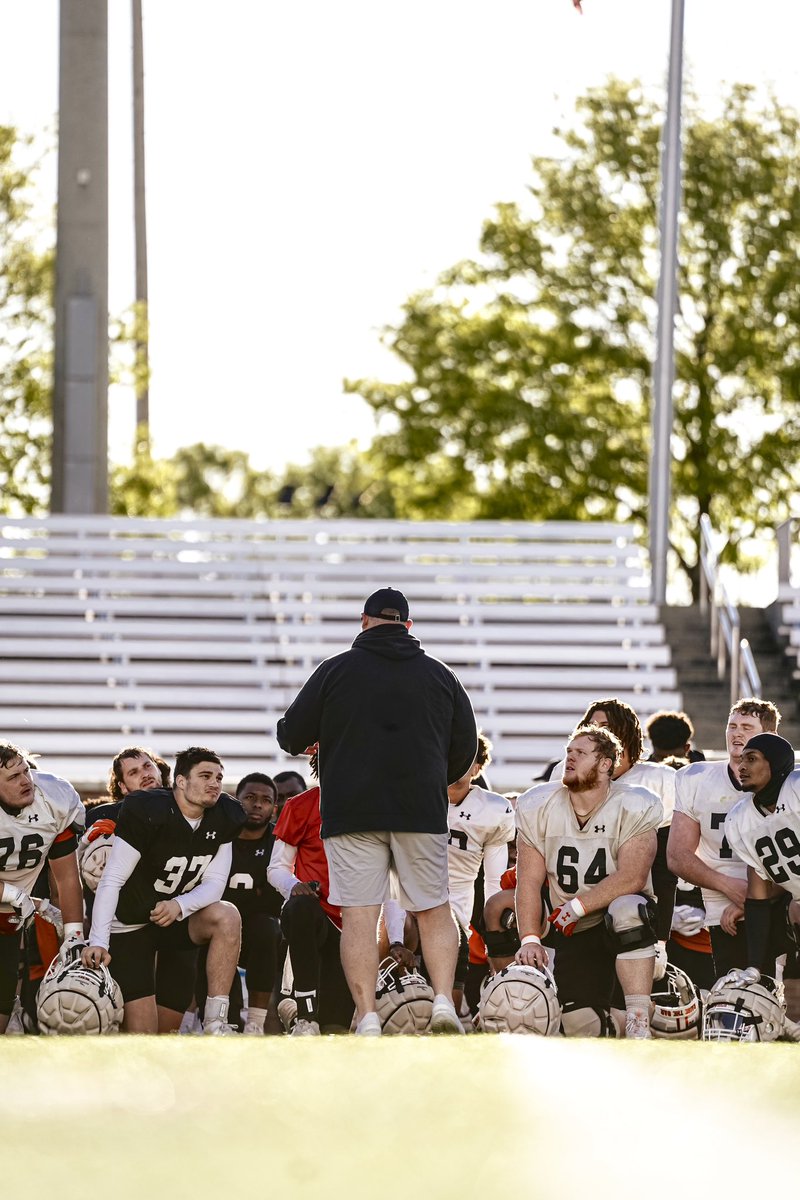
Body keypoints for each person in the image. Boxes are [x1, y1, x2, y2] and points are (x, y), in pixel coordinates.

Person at [277, 586, 477, 1036]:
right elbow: (464, 751)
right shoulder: (440, 675)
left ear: (363, 621)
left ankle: (366, 1015)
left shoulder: (335, 670)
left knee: (361, 915)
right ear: (408, 626)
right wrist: (429, 781)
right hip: (420, 812)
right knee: (433, 908)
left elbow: (290, 735)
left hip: (352, 812)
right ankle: (444, 1000)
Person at [81, 747, 245, 1035]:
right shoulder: (146, 810)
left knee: (227, 915)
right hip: (130, 922)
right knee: (144, 1035)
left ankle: (217, 1022)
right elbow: (113, 880)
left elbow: (216, 884)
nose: (214, 783)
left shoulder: (226, 815)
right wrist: (98, 942)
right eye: (205, 776)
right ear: (181, 781)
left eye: (219, 777)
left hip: (175, 919)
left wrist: (179, 905)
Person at [515, 724, 663, 1038]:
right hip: (574, 929)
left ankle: (639, 1018)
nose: (570, 758)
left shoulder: (634, 803)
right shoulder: (538, 805)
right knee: (579, 1025)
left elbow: (633, 877)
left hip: (616, 921)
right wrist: (530, 938)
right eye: (569, 752)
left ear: (605, 764)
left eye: (581, 753)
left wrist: (579, 905)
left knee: (627, 909)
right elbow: (527, 880)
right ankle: (620, 1020)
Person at [667, 698, 781, 976]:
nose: (737, 733)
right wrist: (729, 886)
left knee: (780, 998)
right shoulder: (696, 778)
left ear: (769, 736)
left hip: (778, 902)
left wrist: (753, 902)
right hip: (720, 904)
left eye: (747, 727)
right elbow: (677, 855)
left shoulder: (787, 783)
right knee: (730, 997)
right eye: (732, 726)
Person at [0, 741, 86, 1033]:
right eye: (13, 777)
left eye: (25, 771)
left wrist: (74, 936)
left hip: (6, 921)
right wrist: (16, 895)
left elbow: (66, 875)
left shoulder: (53, 797)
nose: (26, 781)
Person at [267, 748, 354, 1036]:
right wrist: (295, 886)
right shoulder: (301, 805)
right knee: (299, 907)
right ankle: (303, 1012)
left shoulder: (376, 805)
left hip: (358, 921)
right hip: (317, 918)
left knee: (336, 1029)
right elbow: (276, 868)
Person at [198, 772, 283, 1035]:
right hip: (219, 929)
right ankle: (219, 1019)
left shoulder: (278, 842)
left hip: (260, 936)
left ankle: (256, 1023)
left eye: (265, 800)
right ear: (237, 800)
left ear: (273, 808)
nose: (257, 804)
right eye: (250, 797)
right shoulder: (219, 833)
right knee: (208, 934)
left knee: (267, 928)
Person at [446, 737, 515, 1011]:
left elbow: (493, 879)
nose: (453, 764)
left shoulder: (492, 810)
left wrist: (491, 927)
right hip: (408, 903)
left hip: (457, 912)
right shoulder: (416, 795)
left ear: (476, 769)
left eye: (463, 758)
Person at [725, 732, 800, 976]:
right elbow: (758, 896)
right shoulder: (740, 819)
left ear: (775, 762)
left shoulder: (797, 788)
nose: (742, 765)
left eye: (752, 758)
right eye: (741, 759)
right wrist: (754, 966)